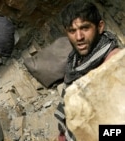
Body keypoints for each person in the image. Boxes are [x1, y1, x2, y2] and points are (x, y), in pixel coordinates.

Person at [54, 1, 122, 141]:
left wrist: (91, 135)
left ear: (100, 26)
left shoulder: (115, 63)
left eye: (85, 28)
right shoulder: (74, 62)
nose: (79, 37)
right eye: (72, 31)